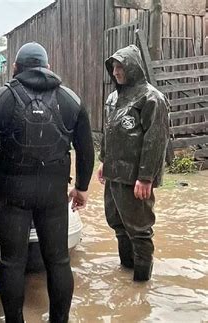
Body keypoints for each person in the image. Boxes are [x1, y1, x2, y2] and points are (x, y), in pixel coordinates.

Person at [0, 42, 95, 323]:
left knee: (13, 262)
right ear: (48, 68)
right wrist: (82, 187)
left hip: (13, 191)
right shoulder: (70, 100)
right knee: (59, 261)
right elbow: (87, 149)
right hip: (53, 192)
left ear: (15, 68)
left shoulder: (0, 99)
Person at [98, 45, 169, 282]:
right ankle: (126, 272)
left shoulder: (152, 98)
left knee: (139, 230)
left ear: (133, 67)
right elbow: (109, 131)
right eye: (114, 67)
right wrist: (104, 161)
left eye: (121, 66)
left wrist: (146, 177)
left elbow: (156, 139)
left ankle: (141, 283)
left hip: (136, 177)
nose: (116, 72)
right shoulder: (113, 97)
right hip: (113, 172)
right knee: (117, 223)